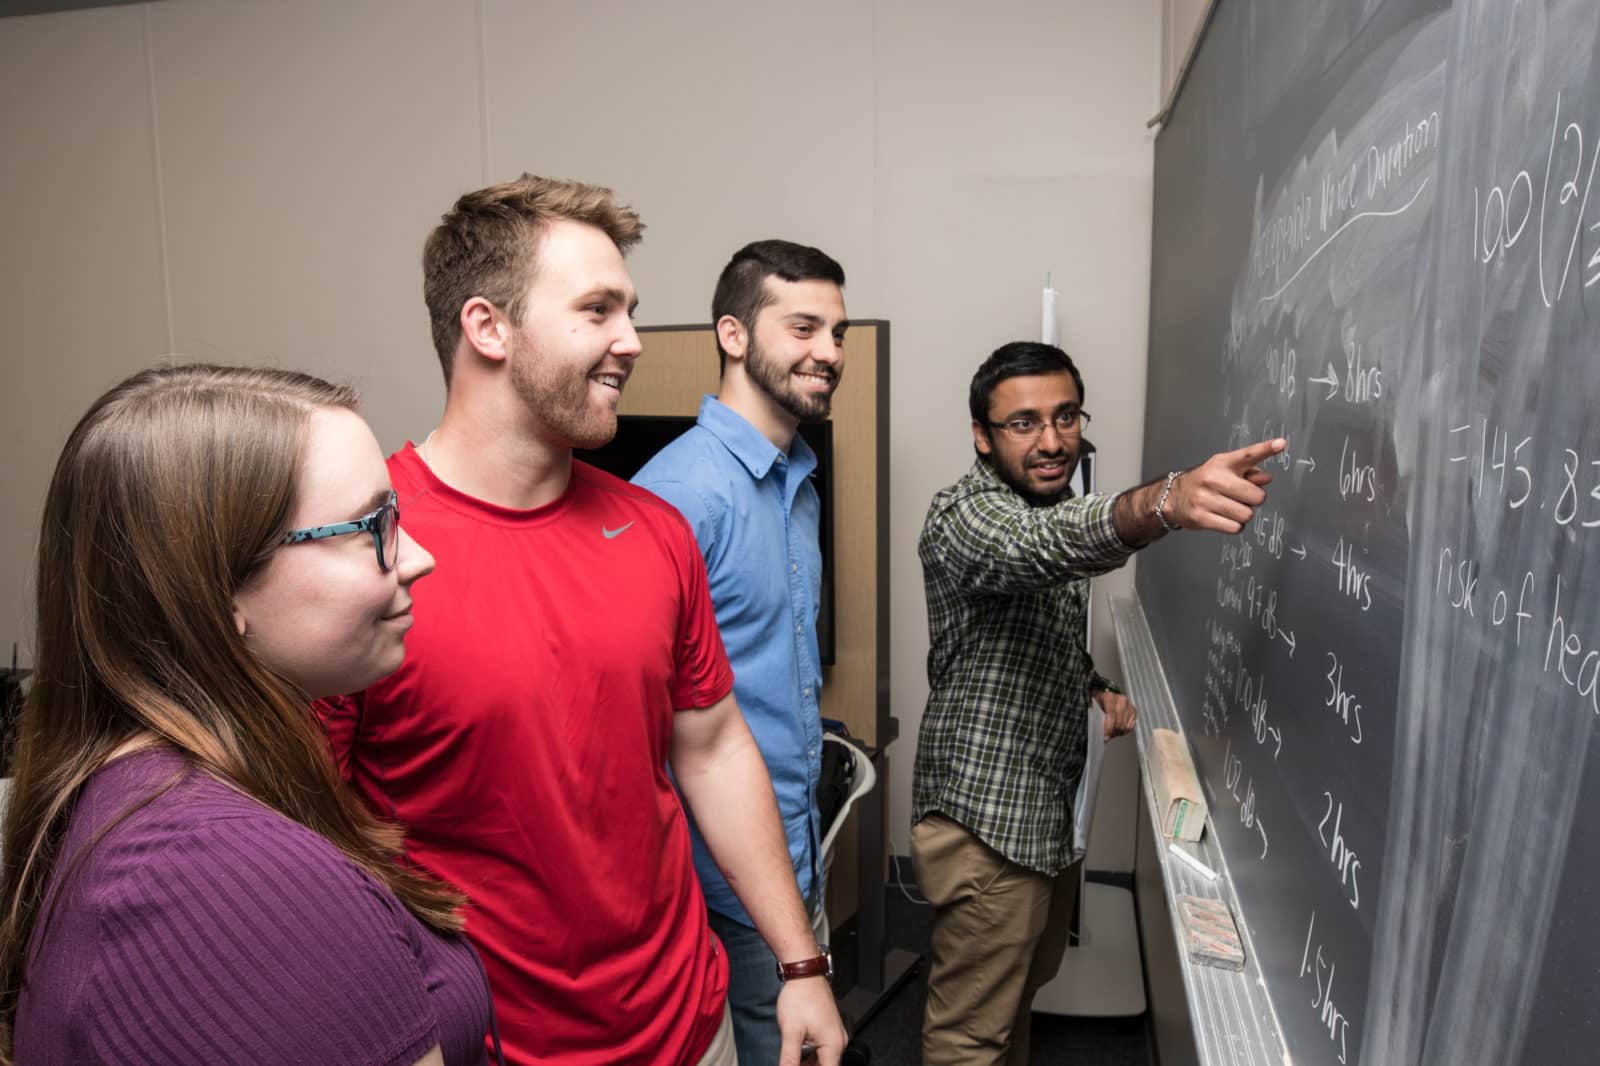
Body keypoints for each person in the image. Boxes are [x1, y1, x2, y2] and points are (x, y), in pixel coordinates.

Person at [317, 176, 847, 1066]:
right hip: (492, 1044)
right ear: (488, 328)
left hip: (690, 1024)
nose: (631, 342)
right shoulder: (367, 553)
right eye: (597, 310)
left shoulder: (655, 531)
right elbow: (308, 836)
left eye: (628, 309)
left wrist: (801, 962)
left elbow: (712, 747)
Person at [0, 364, 495, 1066]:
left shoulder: (168, 803)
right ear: (217, 590)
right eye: (374, 526)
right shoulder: (214, 876)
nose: (419, 558)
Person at [911, 341, 1285, 1066]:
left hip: (1046, 813)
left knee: (1016, 999)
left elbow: (1037, 615)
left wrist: (1093, 683)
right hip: (986, 825)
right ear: (982, 438)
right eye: (1022, 424)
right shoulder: (966, 516)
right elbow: (1035, 549)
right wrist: (1167, 500)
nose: (1051, 440)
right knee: (968, 1040)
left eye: (1065, 416)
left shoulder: (1050, 498)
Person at [632, 239, 847, 1064]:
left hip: (794, 853)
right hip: (723, 882)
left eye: (837, 332)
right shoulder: (681, 496)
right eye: (803, 327)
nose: (827, 352)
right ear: (732, 334)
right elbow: (643, 719)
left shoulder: (798, 477)